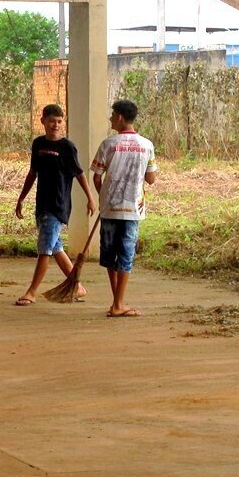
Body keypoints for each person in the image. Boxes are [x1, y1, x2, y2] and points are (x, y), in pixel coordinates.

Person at [13, 104, 96, 306]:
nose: (56, 125)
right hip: (42, 204)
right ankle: (77, 286)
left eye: (59, 121)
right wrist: (21, 198)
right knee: (55, 246)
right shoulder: (38, 144)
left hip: (58, 206)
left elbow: (79, 174)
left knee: (45, 249)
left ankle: (31, 292)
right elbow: (32, 173)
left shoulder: (67, 147)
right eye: (51, 121)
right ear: (42, 121)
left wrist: (90, 198)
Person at [91, 99, 158, 318]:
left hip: (109, 208)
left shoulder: (108, 144)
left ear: (120, 117)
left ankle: (116, 301)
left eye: (112, 115)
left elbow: (96, 177)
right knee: (126, 255)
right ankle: (118, 303)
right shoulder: (147, 145)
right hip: (133, 209)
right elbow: (151, 179)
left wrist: (103, 197)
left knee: (110, 255)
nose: (110, 119)